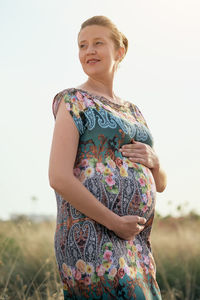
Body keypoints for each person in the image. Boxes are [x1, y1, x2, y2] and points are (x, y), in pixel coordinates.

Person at [48, 15, 167, 300]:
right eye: (82, 45)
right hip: (92, 234)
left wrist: (157, 163)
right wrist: (114, 222)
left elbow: (160, 184)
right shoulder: (72, 101)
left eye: (98, 43)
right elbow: (59, 177)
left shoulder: (134, 111)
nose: (88, 51)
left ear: (119, 51)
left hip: (135, 241)